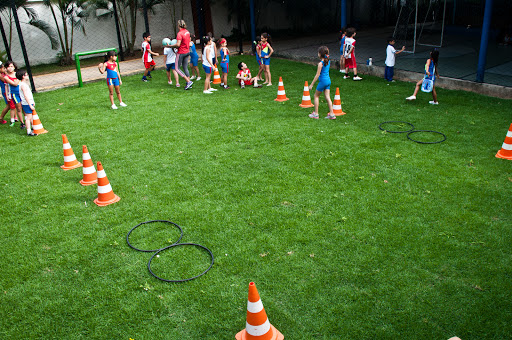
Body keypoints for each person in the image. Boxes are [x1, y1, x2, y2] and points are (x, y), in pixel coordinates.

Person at [308, 46, 336, 120]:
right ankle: (332, 114)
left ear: (320, 54)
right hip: (328, 81)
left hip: (323, 82)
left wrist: (311, 85)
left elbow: (317, 75)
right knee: (327, 97)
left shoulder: (321, 63)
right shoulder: (328, 61)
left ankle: (316, 114)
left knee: (316, 96)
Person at [170, 20, 193, 90]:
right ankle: (189, 84)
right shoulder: (187, 32)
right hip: (187, 51)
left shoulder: (179, 34)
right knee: (185, 67)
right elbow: (188, 42)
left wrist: (170, 46)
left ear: (178, 25)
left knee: (176, 68)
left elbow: (178, 44)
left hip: (181, 53)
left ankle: (188, 82)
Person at [16, 69, 37, 136]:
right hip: (27, 103)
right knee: (28, 117)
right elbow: (25, 95)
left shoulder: (22, 84)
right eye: (26, 75)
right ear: (23, 76)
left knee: (30, 117)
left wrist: (32, 102)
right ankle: (29, 131)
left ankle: (33, 128)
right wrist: (29, 104)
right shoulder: (23, 85)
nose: (27, 75)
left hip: (27, 103)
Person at [5, 61, 24, 128]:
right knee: (18, 108)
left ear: (14, 67)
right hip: (14, 94)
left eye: (11, 66)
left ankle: (28, 120)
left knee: (24, 107)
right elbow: (14, 84)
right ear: (6, 68)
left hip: (22, 92)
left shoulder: (17, 74)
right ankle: (22, 123)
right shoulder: (6, 77)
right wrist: (7, 94)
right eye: (8, 67)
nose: (10, 68)